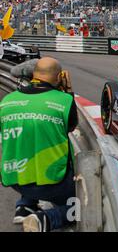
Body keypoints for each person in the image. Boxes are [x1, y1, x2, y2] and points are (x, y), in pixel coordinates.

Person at [0, 57, 78, 232]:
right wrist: (68, 92)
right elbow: (71, 126)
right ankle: (45, 219)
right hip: (54, 183)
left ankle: (24, 205)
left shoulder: (6, 101)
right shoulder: (64, 101)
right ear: (59, 78)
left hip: (15, 179)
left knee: (28, 147)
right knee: (80, 208)